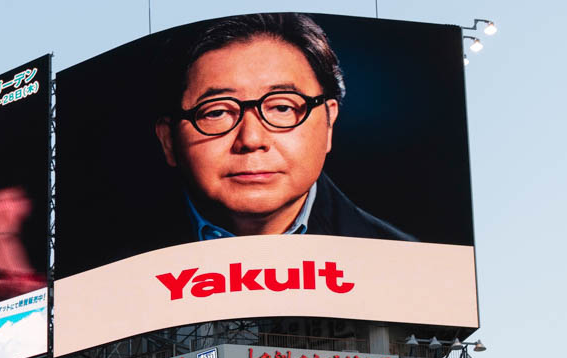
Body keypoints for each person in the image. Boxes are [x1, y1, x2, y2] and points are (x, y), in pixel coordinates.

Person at [152, 13, 414, 241]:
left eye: (282, 108)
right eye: (217, 112)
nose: (252, 139)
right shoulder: (118, 269)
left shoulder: (405, 266)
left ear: (329, 121)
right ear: (168, 141)